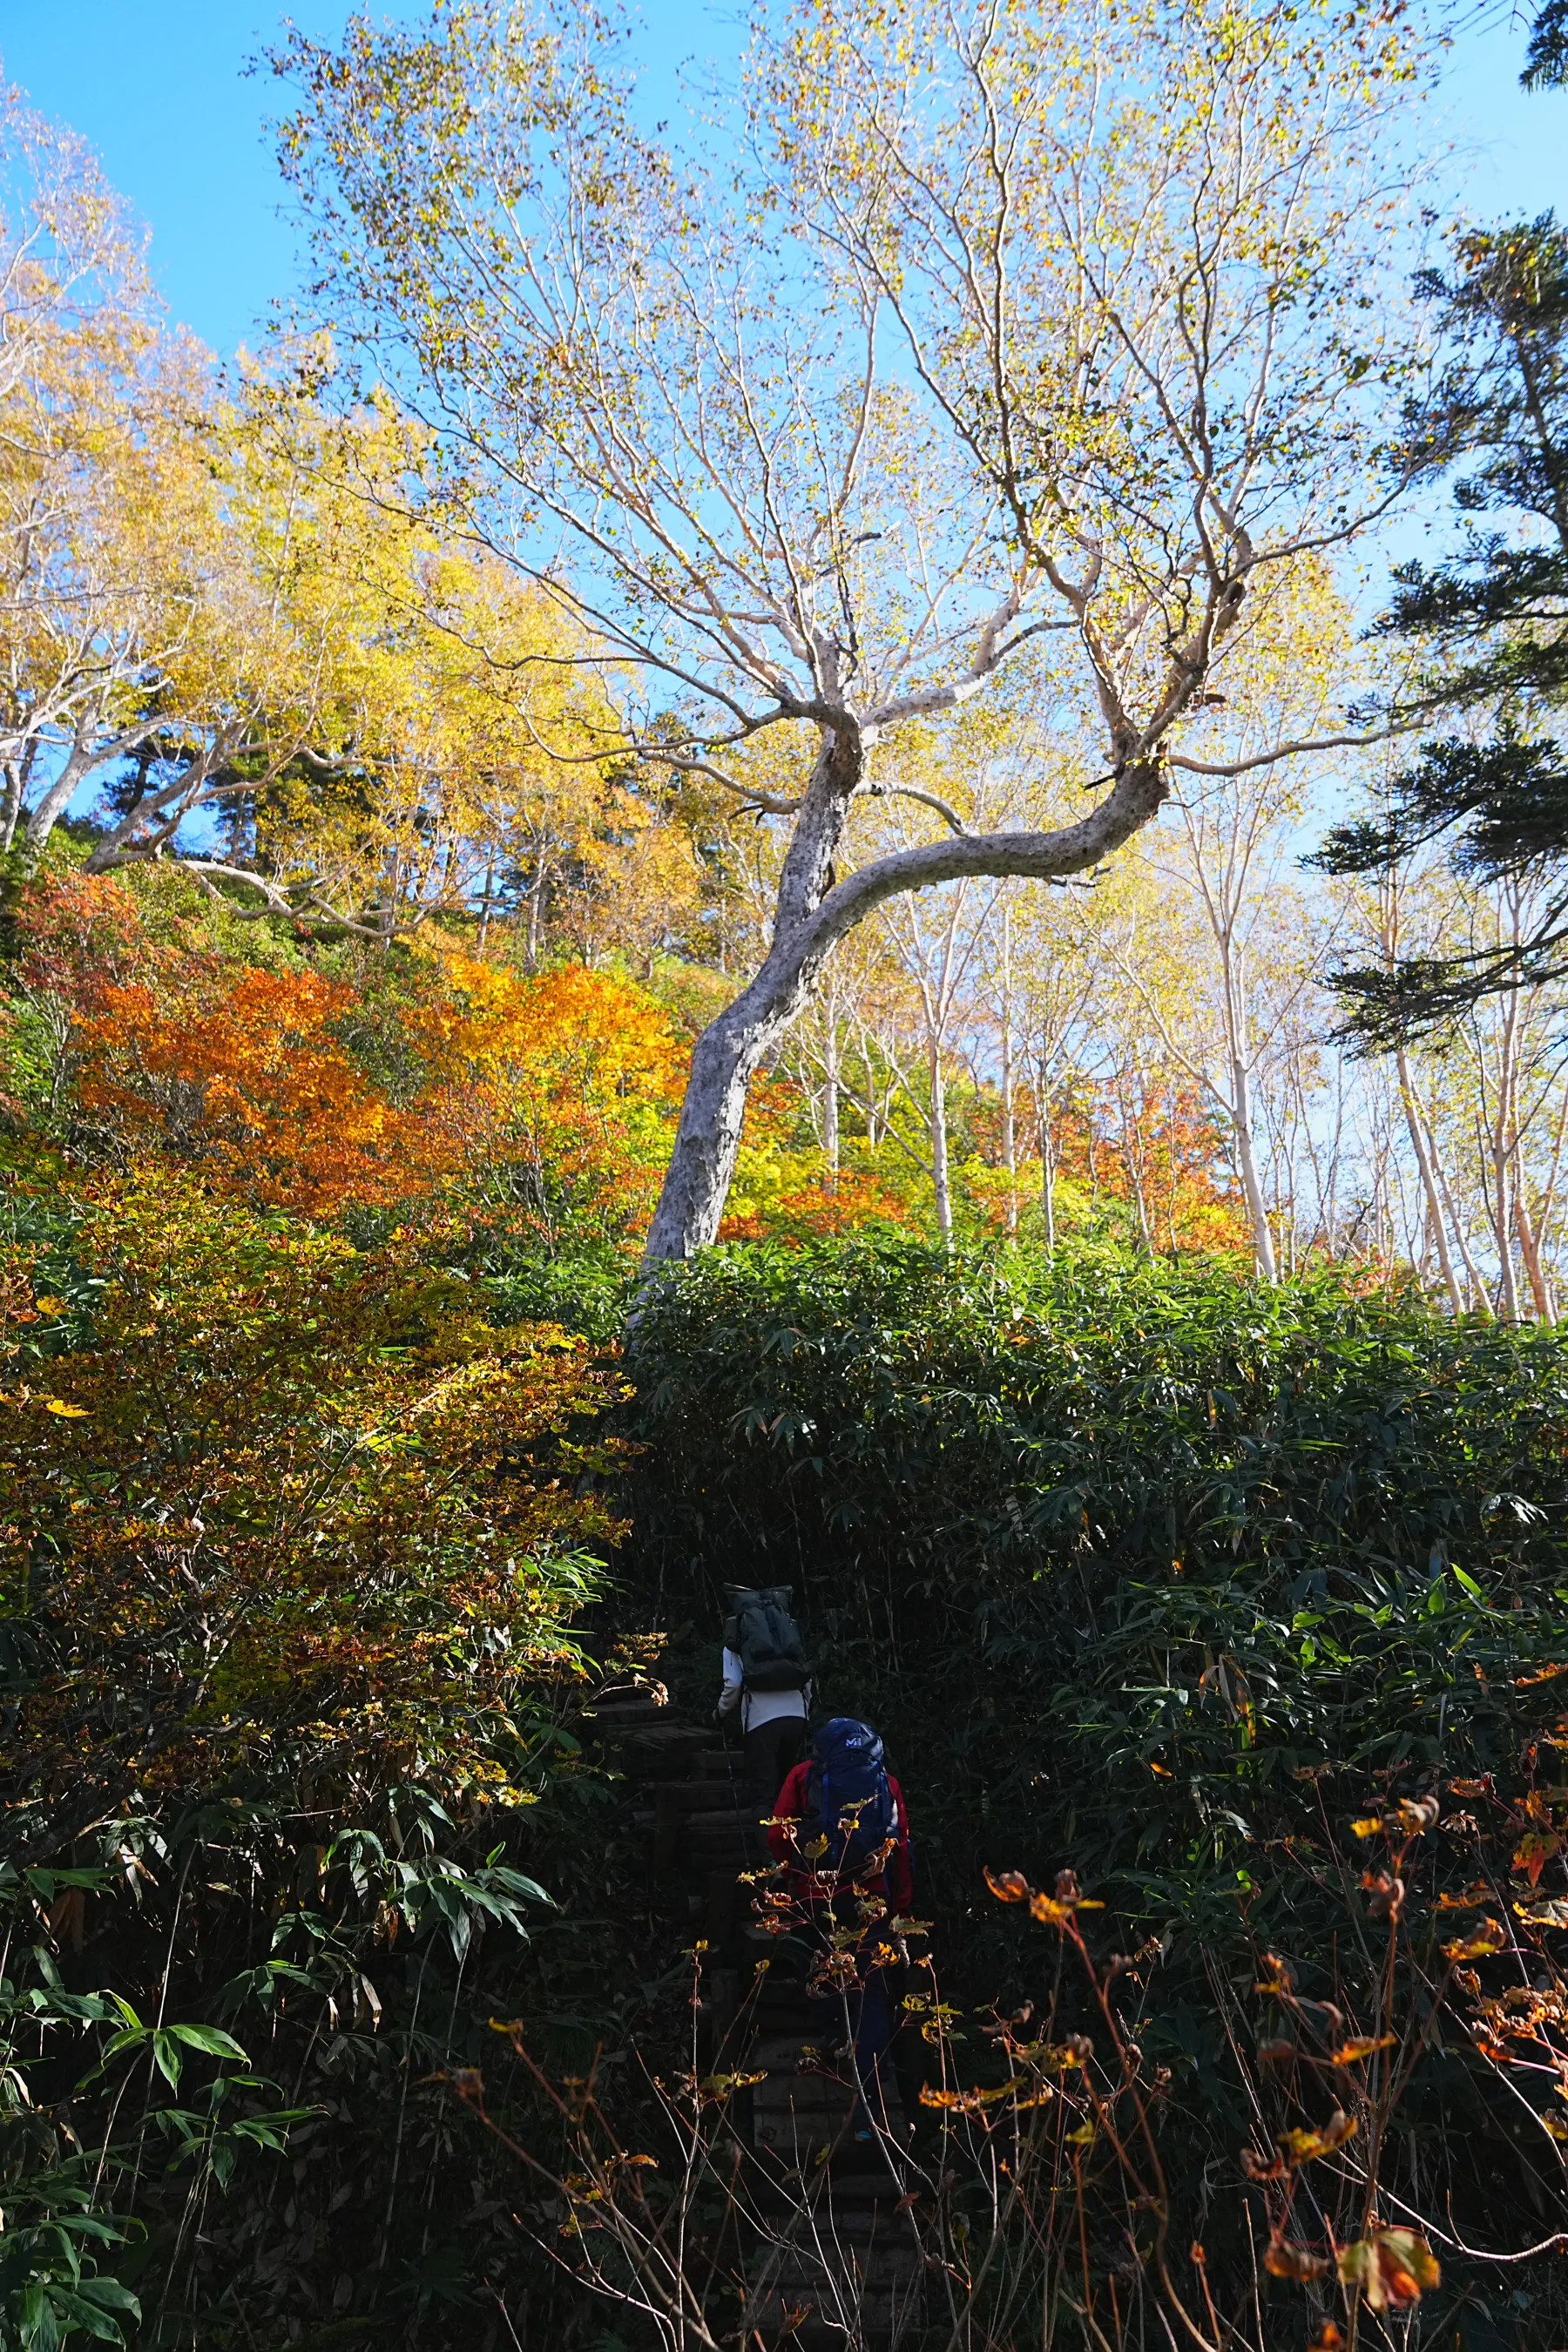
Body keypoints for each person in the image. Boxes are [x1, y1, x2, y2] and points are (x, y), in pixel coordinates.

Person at [767, 1717, 915, 2136]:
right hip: (871, 1903)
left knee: (820, 1973)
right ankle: (872, 2113)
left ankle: (835, 2035)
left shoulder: (801, 1777)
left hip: (818, 1897)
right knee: (868, 1995)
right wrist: (899, 1905)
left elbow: (777, 1837)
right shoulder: (886, 1782)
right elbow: (899, 1845)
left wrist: (799, 1870)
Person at [715, 1583, 812, 1815]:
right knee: (792, 1786)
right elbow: (806, 1678)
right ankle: (795, 1847)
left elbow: (734, 1684)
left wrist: (720, 1712)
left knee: (764, 1792)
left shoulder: (736, 1642)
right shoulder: (788, 1637)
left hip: (762, 1721)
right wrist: (805, 1709)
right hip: (797, 1717)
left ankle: (766, 1849)